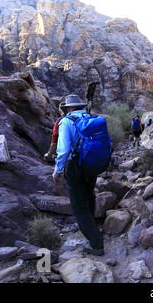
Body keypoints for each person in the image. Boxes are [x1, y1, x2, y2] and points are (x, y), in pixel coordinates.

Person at [52, 95, 105, 256]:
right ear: (80, 106)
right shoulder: (90, 118)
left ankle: (96, 244)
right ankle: (93, 229)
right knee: (89, 196)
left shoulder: (66, 122)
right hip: (92, 164)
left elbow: (64, 149)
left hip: (75, 166)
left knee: (79, 206)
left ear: (68, 108)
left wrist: (57, 170)